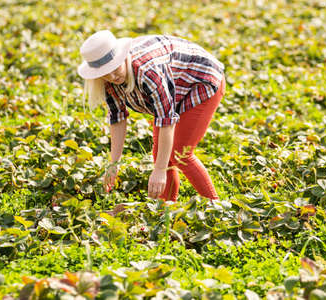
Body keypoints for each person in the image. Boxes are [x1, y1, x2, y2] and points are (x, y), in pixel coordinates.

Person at [77, 30, 225, 201]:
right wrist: (114, 164)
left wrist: (160, 170)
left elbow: (167, 121)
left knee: (179, 152)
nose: (112, 76)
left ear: (122, 57)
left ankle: (216, 206)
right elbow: (118, 119)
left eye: (114, 67)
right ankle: (164, 209)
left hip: (201, 80)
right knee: (160, 153)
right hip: (173, 88)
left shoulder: (147, 71)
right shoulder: (108, 81)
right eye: (105, 72)